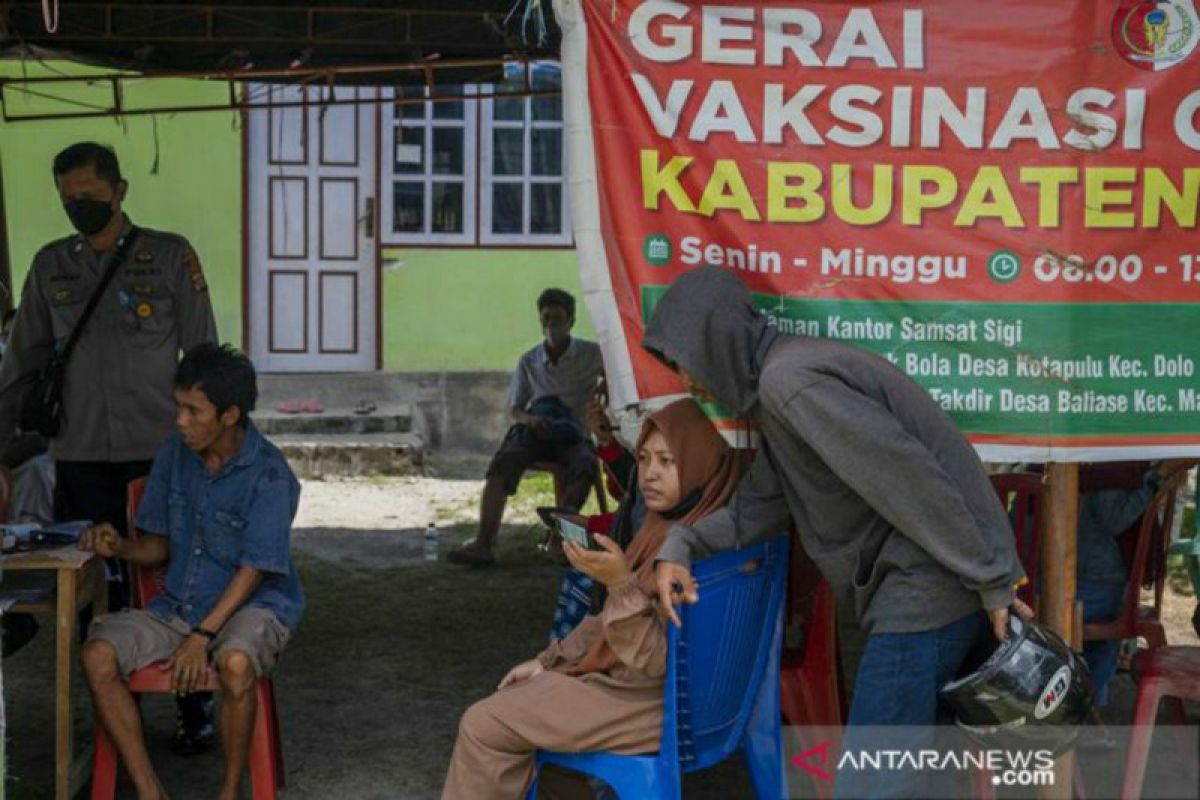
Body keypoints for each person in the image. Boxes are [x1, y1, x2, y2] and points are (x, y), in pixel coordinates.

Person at [641, 266, 1030, 798]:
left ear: (716, 341)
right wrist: (681, 542)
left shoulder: (791, 384)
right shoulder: (782, 384)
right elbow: (762, 502)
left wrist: (991, 578)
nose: (686, 382)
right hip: (938, 587)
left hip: (927, 593)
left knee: (868, 785)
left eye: (685, 363)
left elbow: (909, 477)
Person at [0, 142, 220, 750]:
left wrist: (214, 446)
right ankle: (111, 709)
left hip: (160, 455)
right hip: (80, 456)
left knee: (177, 578)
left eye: (90, 198)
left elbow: (204, 358)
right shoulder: (50, 267)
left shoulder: (170, 258)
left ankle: (194, 702)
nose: (79, 209)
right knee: (91, 587)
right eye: (68, 200)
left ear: (120, 191)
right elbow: (20, 365)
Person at [442, 399, 743, 799]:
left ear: (698, 464)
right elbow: (607, 626)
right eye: (646, 458)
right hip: (664, 696)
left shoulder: (692, 555)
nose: (649, 474)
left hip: (657, 703)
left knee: (483, 725)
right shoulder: (678, 529)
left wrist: (620, 584)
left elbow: (656, 661)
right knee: (521, 704)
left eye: (667, 462)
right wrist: (549, 660)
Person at [79, 343, 303, 800]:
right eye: (178, 406)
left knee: (237, 664)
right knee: (97, 655)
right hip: (178, 606)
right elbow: (159, 547)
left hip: (252, 607)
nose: (180, 421)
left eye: (193, 411)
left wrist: (200, 637)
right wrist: (118, 546)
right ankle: (149, 789)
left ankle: (228, 790)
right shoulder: (175, 454)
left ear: (229, 415)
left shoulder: (270, 475)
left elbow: (254, 571)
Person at [450, 288, 605, 566]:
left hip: (572, 433)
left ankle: (561, 538)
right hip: (536, 430)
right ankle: (483, 544)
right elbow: (515, 408)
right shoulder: (530, 361)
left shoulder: (592, 355)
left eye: (557, 319)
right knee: (503, 463)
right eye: (546, 318)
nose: (551, 325)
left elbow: (611, 382)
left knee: (584, 465)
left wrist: (598, 410)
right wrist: (532, 420)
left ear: (571, 321)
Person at [1076, 460, 1196, 709]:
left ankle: (1089, 713)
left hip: (1051, 575)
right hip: (1090, 577)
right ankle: (1088, 713)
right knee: (1095, 649)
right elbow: (1114, 519)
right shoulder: (1113, 465)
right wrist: (1159, 475)